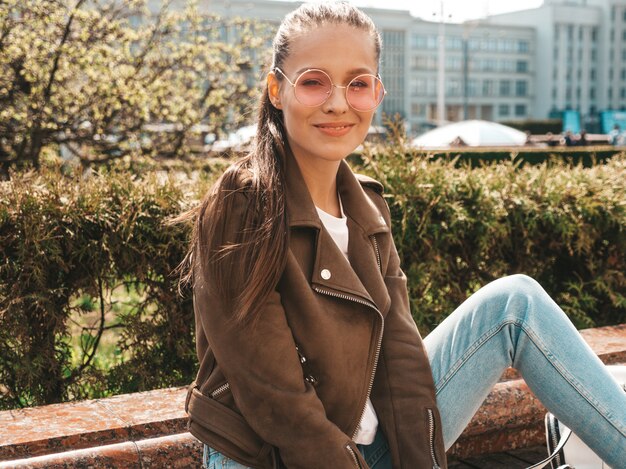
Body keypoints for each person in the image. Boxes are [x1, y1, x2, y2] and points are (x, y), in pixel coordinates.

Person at [179, 3, 626, 468]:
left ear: (377, 93)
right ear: (277, 89)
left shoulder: (366, 206)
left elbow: (401, 358)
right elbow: (275, 397)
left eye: (358, 84)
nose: (338, 103)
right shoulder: (244, 203)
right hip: (272, 456)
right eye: (314, 82)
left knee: (516, 303)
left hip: (369, 447)